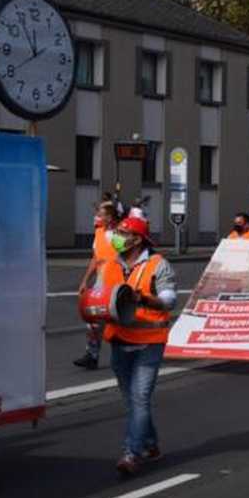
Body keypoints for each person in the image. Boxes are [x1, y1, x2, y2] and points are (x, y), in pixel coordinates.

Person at [102, 216, 177, 476]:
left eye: (123, 232)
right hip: (119, 340)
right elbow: (103, 297)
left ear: (137, 238)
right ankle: (151, 444)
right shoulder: (112, 265)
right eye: (118, 231)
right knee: (131, 401)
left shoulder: (158, 265)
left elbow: (168, 300)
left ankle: (131, 453)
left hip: (148, 343)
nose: (117, 236)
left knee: (140, 398)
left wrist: (141, 299)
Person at [74, 201, 121, 370]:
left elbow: (130, 256)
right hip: (101, 283)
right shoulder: (99, 233)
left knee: (118, 320)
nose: (97, 217)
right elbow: (95, 259)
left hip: (119, 283)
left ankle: (126, 355)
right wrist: (85, 280)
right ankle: (92, 356)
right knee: (94, 319)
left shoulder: (120, 234)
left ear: (109, 217)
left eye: (101, 214)